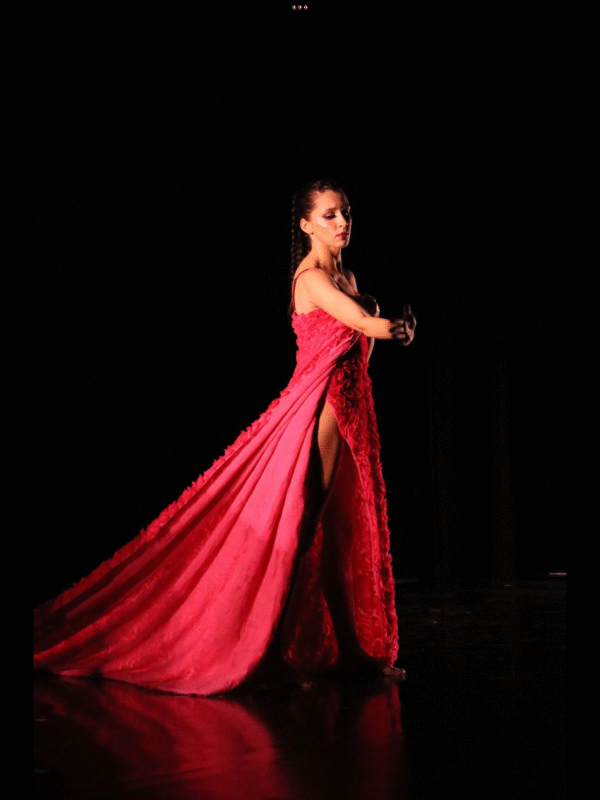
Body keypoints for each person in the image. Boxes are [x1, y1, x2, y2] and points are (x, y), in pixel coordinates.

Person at [33, 179, 416, 696]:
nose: (342, 222)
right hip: (318, 409)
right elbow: (363, 328)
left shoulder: (346, 275)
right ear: (306, 225)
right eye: (329, 215)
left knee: (336, 535)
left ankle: (347, 650)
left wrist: (390, 331)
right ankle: (270, 650)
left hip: (348, 409)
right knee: (303, 533)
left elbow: (360, 350)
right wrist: (391, 326)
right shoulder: (312, 279)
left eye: (345, 212)